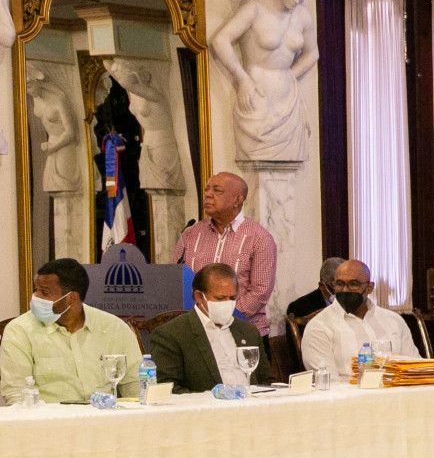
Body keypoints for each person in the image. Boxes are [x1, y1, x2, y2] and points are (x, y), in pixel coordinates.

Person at [1, 258, 142, 404]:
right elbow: (16, 395)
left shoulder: (113, 328)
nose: (35, 297)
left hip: (103, 414)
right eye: (35, 290)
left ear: (71, 298)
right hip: (48, 417)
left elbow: (136, 388)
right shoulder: (19, 330)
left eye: (44, 292)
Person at [172, 171, 277, 327]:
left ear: (237, 200)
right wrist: (201, 320)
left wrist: (222, 317)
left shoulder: (259, 238)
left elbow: (260, 293)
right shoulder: (190, 234)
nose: (208, 195)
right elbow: (176, 281)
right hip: (195, 329)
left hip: (242, 329)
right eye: (207, 189)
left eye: (217, 190)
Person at [150, 263, 273, 393]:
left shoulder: (249, 331)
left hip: (252, 403)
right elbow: (169, 389)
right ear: (199, 296)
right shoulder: (171, 334)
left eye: (232, 298)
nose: (227, 303)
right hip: (207, 404)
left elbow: (266, 382)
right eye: (220, 298)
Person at [299, 258, 422, 377]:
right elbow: (327, 382)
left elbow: (414, 368)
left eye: (353, 284)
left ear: (370, 288)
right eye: (340, 284)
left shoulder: (393, 320)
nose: (345, 290)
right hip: (347, 390)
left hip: (397, 389)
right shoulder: (319, 326)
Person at [285, 256, 345, 325]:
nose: (345, 290)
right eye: (339, 285)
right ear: (322, 286)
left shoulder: (354, 303)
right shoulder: (298, 308)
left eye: (351, 284)